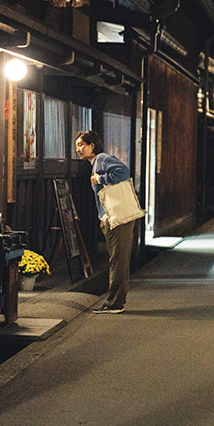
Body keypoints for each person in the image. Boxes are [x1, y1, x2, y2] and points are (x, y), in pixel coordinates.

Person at [74, 129, 133, 314]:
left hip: (117, 218)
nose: (78, 149)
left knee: (118, 260)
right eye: (77, 145)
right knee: (117, 259)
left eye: (81, 145)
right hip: (111, 217)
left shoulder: (102, 159)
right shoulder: (95, 162)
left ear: (92, 146)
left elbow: (124, 171)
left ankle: (115, 303)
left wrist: (100, 178)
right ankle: (115, 301)